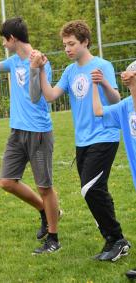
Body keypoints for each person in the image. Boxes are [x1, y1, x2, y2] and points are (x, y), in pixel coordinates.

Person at [32, 20, 130, 261]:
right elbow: (51, 96)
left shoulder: (102, 65)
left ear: (85, 42)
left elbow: (116, 98)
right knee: (94, 190)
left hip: (104, 136)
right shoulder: (69, 71)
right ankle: (113, 240)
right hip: (82, 140)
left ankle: (117, 239)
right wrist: (42, 71)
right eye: (65, 44)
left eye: (72, 44)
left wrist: (104, 82)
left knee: (91, 188)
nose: (67, 48)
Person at [0, 17, 60, 254]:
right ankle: (45, 211)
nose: (3, 43)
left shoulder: (40, 61)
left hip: (39, 132)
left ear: (12, 38)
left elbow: (34, 97)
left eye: (3, 39)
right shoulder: (13, 61)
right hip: (17, 131)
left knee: (45, 186)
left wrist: (34, 69)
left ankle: (53, 238)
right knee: (7, 181)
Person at [92, 60, 136, 272]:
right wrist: (95, 85)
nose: (126, 75)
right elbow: (99, 111)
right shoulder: (125, 106)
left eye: (131, 72)